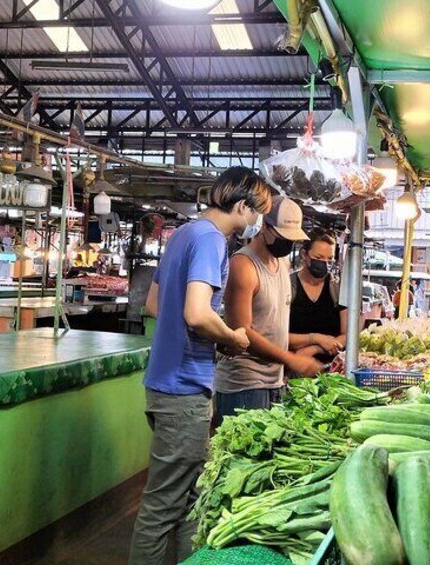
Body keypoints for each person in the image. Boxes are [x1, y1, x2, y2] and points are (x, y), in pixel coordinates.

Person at [130, 166, 270, 565]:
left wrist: (211, 337)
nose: (257, 223)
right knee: (163, 508)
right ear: (242, 206)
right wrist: (232, 337)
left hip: (164, 384)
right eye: (257, 213)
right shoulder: (211, 240)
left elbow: (155, 305)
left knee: (188, 500)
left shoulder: (183, 234)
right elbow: (196, 313)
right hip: (182, 390)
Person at [214, 196, 322, 424]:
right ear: (264, 226)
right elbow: (241, 331)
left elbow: (274, 323)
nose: (288, 244)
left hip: (274, 382)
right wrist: (291, 360)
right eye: (283, 237)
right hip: (244, 385)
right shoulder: (243, 266)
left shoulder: (282, 263)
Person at [288, 228, 347, 364]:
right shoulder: (288, 286)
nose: (325, 264)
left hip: (332, 370)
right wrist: (316, 338)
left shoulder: (338, 288)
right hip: (293, 366)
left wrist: (315, 349)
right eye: (319, 258)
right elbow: (278, 336)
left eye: (330, 259)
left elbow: (347, 335)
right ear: (304, 254)